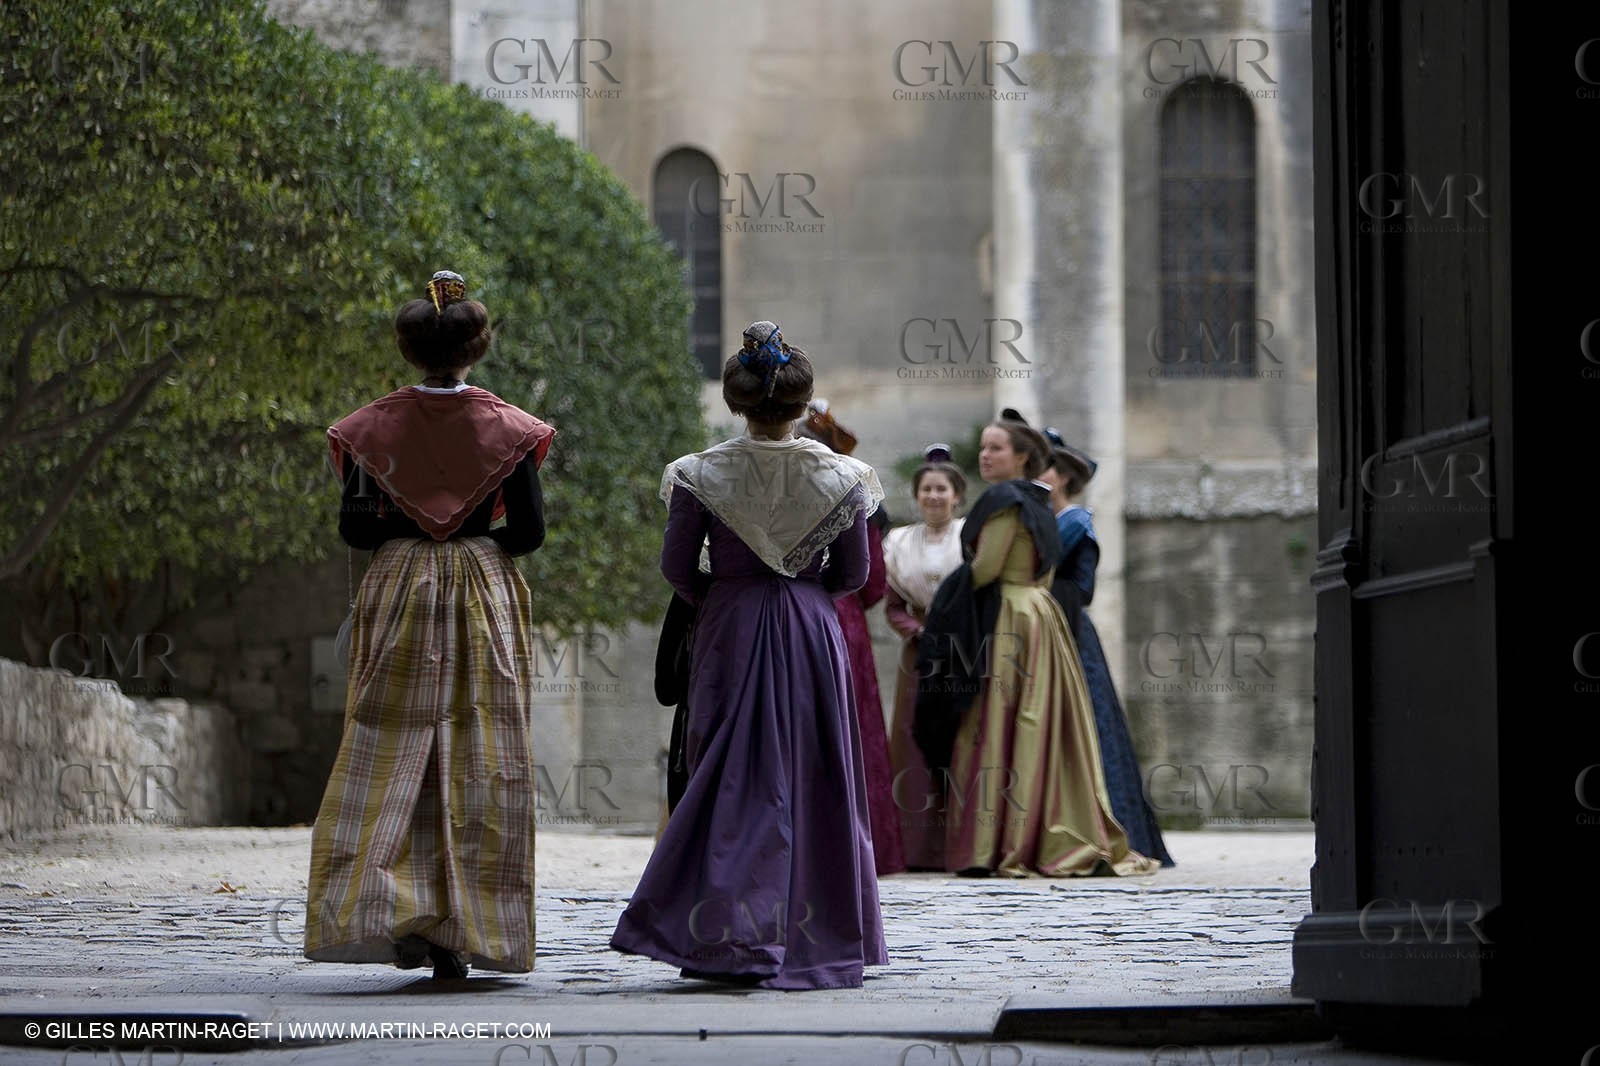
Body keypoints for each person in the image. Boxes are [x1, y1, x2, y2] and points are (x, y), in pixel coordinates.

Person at [611, 321, 888, 989]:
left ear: (738, 400)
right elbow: (852, 574)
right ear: (803, 401)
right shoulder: (842, 477)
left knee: (728, 775)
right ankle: (816, 933)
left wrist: (724, 592)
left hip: (729, 626)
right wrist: (800, 589)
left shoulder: (701, 473)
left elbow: (679, 567)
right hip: (809, 628)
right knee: (814, 775)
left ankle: (723, 931)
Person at [305, 270, 555, 979]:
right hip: (483, 589)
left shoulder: (370, 427)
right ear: (476, 346)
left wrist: (414, 540)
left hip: (398, 587)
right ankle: (472, 925)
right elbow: (530, 532)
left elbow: (356, 528)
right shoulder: (509, 428)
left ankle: (396, 912)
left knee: (388, 745)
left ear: (408, 348)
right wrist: (471, 547)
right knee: (481, 751)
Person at [919, 413, 1157, 878]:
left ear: (1023, 458)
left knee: (1001, 724)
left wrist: (945, 603)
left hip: (1011, 617)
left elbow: (985, 570)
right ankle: (1032, 832)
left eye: (996, 449)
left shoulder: (1006, 500)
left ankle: (999, 843)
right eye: (984, 448)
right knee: (1033, 728)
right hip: (1039, 617)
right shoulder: (1040, 501)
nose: (985, 456)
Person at [1039, 430, 1174, 867]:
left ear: (1059, 477)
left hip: (1073, 632)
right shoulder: (1038, 520)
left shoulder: (1076, 523)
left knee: (1092, 727)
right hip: (1042, 629)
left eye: (1041, 467)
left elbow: (1083, 588)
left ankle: (1111, 832)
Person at [799, 399, 905, 876]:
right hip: (843, 621)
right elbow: (872, 581)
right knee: (854, 730)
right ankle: (865, 846)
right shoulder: (858, 498)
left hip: (793, 611)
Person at [882, 445, 967, 871]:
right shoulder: (897, 543)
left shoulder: (970, 539)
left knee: (957, 738)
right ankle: (917, 848)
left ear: (957, 496)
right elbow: (893, 604)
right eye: (926, 489)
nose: (934, 497)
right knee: (913, 739)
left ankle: (958, 844)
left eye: (942, 489)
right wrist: (918, 632)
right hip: (917, 656)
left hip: (960, 654)